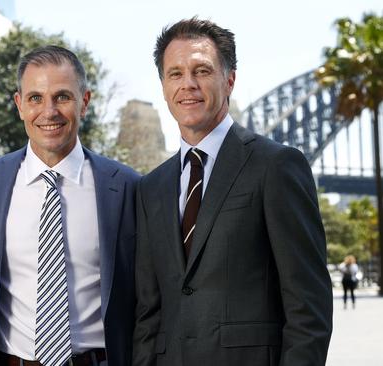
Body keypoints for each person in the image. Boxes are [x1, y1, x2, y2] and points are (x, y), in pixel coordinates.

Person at [133, 18, 333, 365]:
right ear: (163, 85)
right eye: (175, 74)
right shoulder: (151, 187)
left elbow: (309, 307)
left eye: (202, 71)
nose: (188, 85)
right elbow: (149, 314)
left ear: (230, 79)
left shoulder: (276, 166)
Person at [0, 45, 140, 366]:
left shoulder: (125, 186)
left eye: (62, 97)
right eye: (35, 98)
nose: (49, 111)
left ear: (84, 102)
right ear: (19, 105)